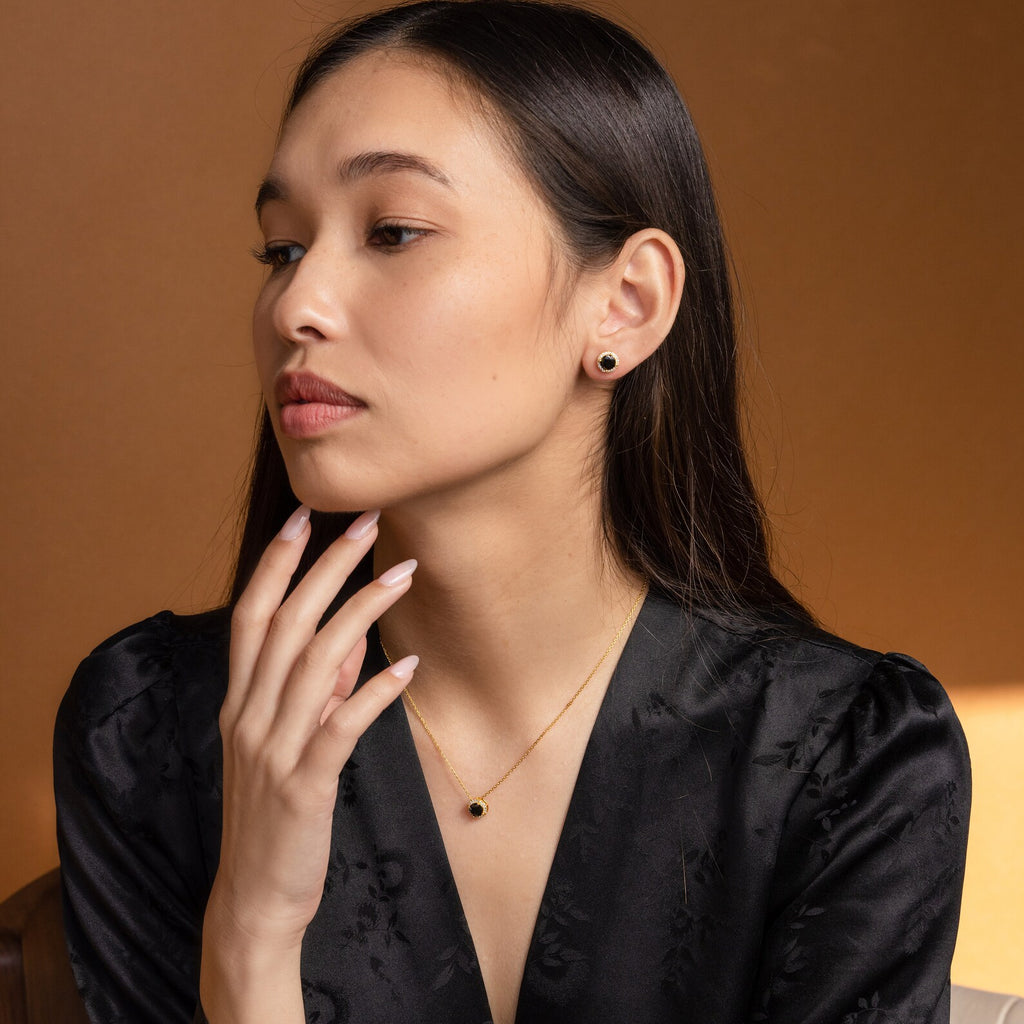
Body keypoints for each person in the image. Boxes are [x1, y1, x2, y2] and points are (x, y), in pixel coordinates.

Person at [53, 2, 970, 1022]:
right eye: (279, 248)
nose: (295, 304)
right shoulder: (150, 730)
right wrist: (254, 934)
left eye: (392, 231)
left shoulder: (848, 757)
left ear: (624, 302)